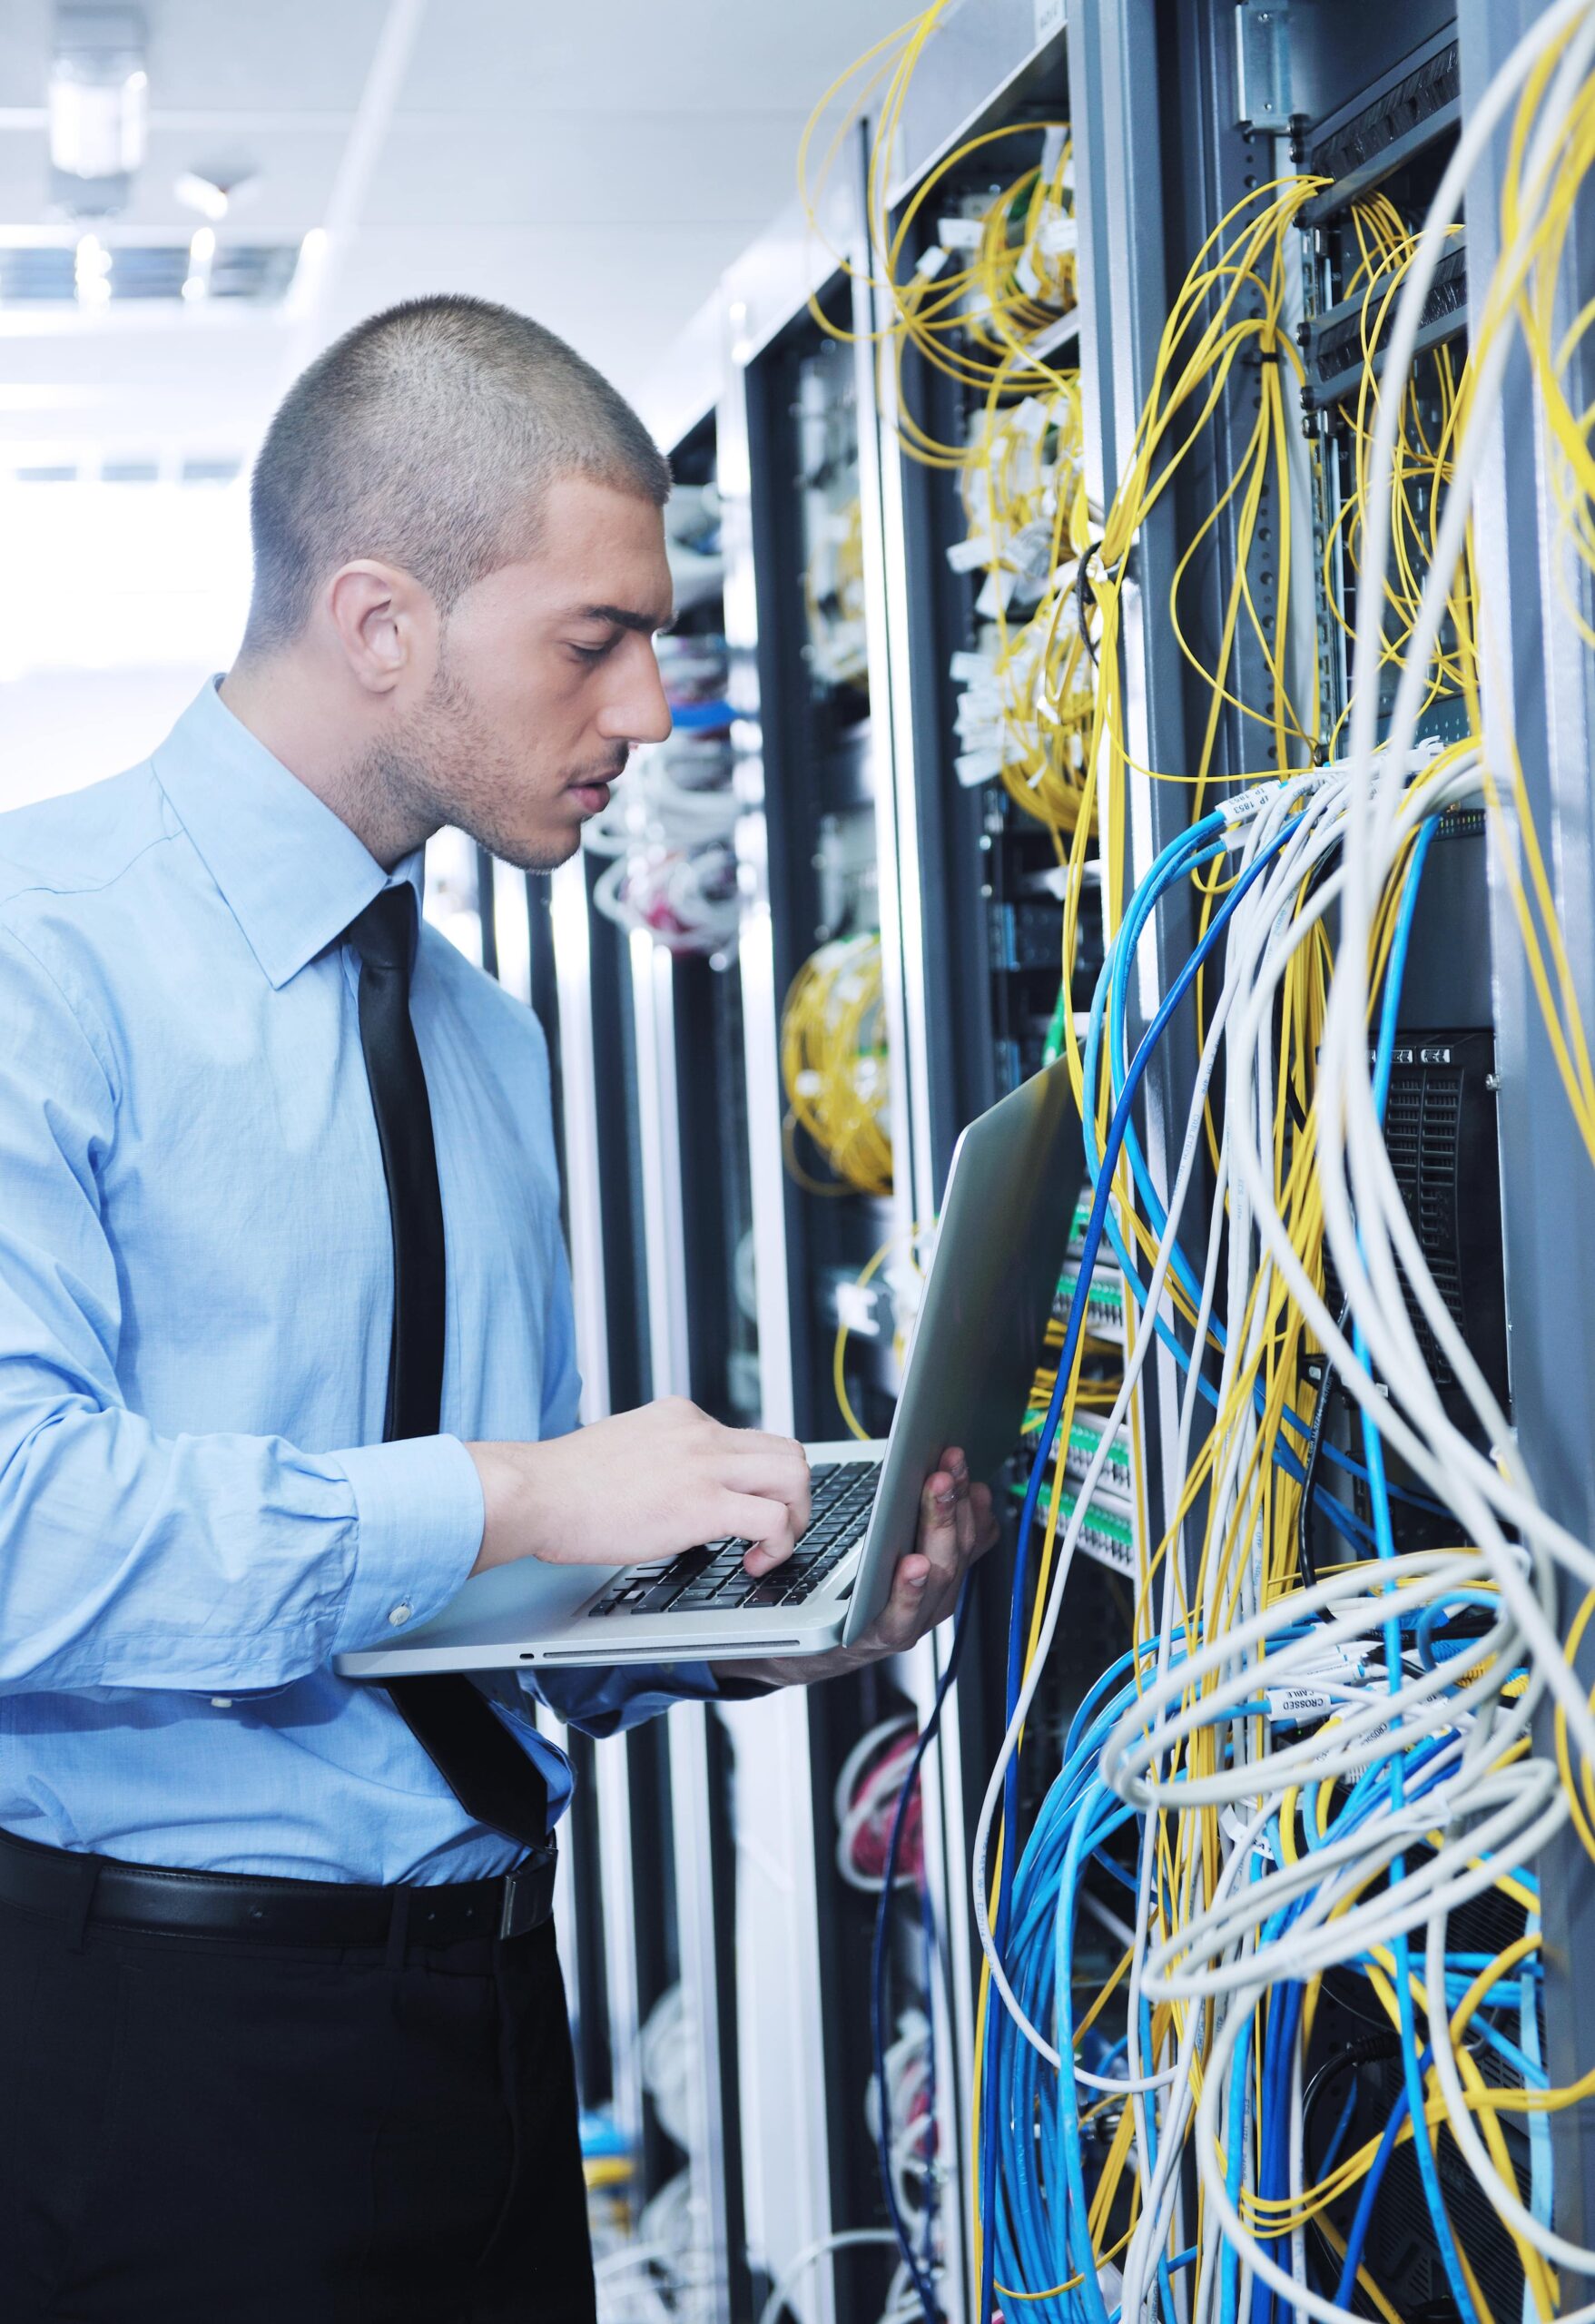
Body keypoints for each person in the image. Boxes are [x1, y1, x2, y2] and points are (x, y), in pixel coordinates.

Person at [0, 295, 997, 2323]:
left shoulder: (479, 1028)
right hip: (169, 2045)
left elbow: (478, 1615)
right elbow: (23, 1533)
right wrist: (530, 1489)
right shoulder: (45, 963)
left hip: (481, 2017)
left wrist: (763, 1619)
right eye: (593, 640)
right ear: (383, 622)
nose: (647, 711)